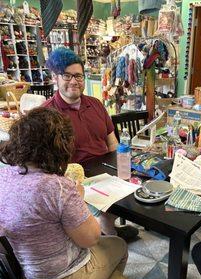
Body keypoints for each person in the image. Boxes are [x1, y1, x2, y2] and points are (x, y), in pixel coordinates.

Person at [0, 107, 127, 279]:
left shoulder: (4, 175)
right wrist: (79, 198)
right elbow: (91, 239)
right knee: (118, 245)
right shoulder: (57, 188)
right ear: (59, 146)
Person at [43, 47, 138, 241]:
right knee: (106, 203)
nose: (74, 81)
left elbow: (112, 142)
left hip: (106, 169)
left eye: (78, 76)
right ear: (55, 77)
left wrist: (122, 169)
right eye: (67, 75)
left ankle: (108, 229)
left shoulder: (96, 104)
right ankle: (109, 235)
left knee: (136, 187)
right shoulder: (46, 114)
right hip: (75, 178)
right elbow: (45, 165)